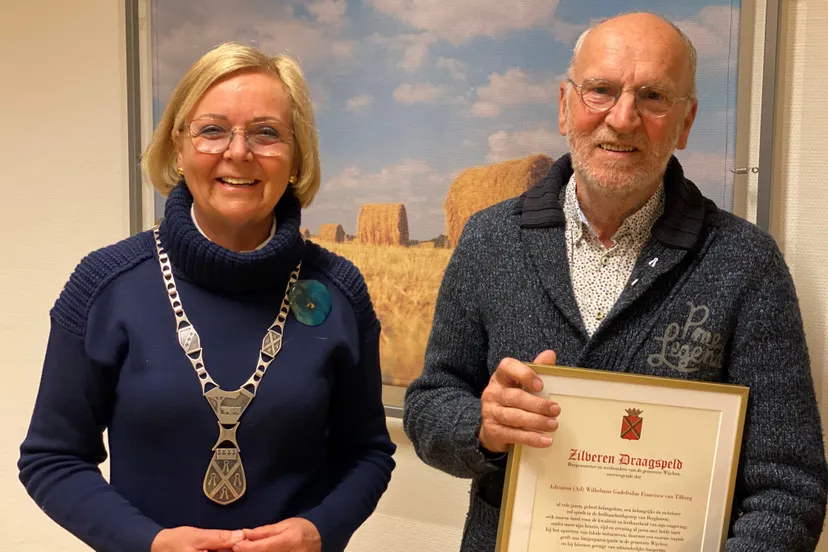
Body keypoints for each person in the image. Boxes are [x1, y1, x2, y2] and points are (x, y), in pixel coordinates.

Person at [403, 11, 827, 552]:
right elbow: (429, 404)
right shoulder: (489, 239)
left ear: (686, 121)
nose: (623, 119)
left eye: (653, 97)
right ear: (565, 106)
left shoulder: (746, 263)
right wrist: (482, 427)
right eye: (600, 90)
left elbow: (789, 490)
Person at [18, 42, 395, 552]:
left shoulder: (340, 290)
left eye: (267, 133)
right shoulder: (104, 284)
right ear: (178, 147)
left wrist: (320, 531)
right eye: (213, 130)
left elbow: (368, 453)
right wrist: (148, 542)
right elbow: (51, 459)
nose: (238, 152)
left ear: (296, 155)